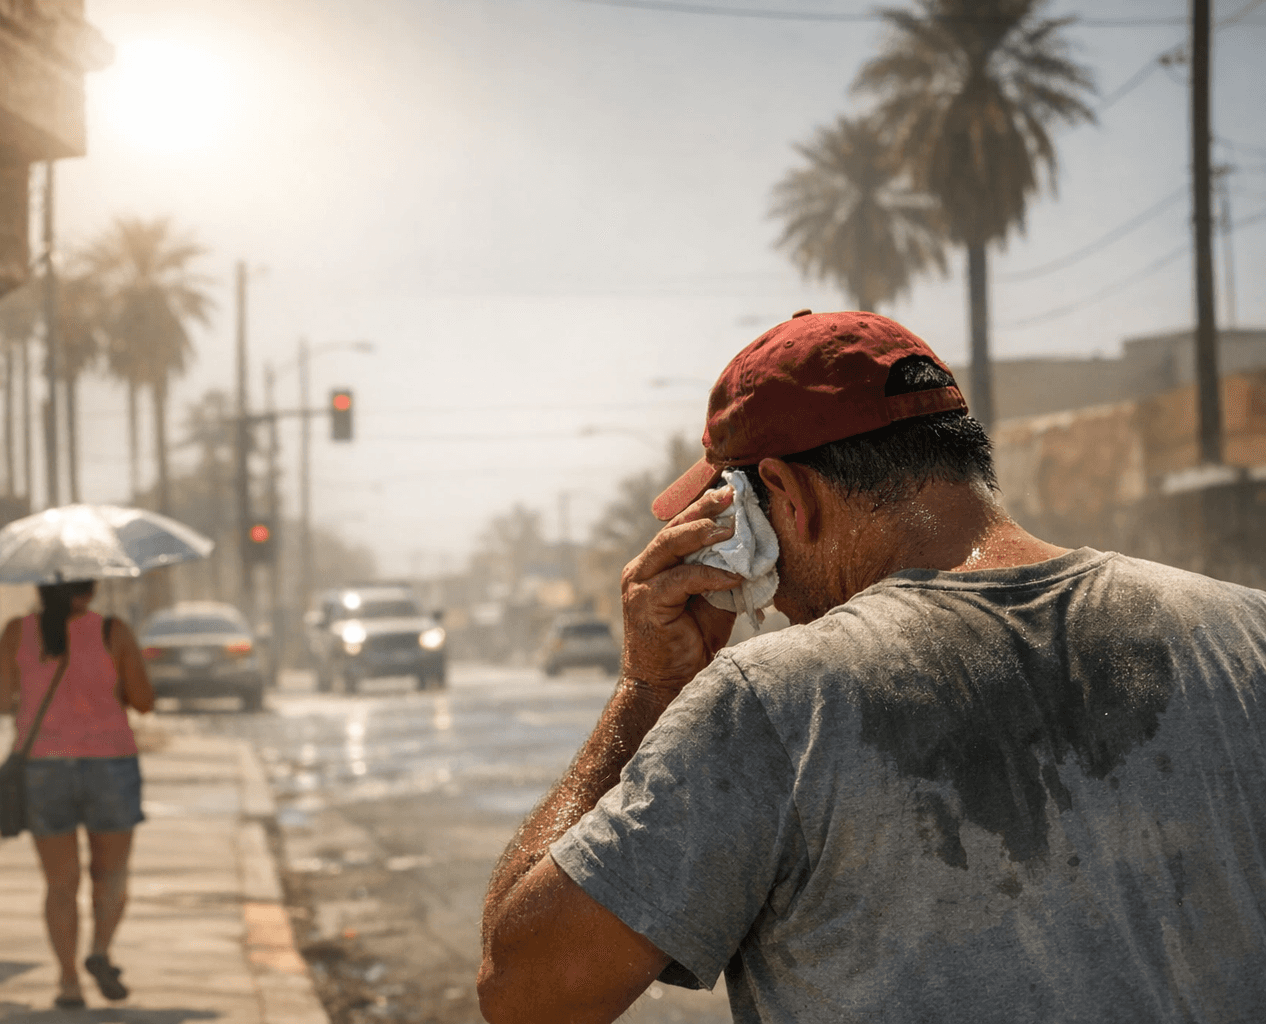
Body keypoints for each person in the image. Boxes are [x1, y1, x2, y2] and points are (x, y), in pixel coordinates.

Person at [477, 309, 1266, 1024]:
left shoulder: (774, 705)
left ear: (786, 494)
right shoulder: (1247, 631)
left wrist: (645, 690)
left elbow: (523, 993)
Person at [0, 579, 155, 1009]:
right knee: (111, 874)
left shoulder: (15, 632)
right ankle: (99, 952)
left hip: (43, 765)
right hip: (110, 764)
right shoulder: (112, 632)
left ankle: (67, 982)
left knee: (60, 883)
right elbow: (144, 701)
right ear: (93, 588)